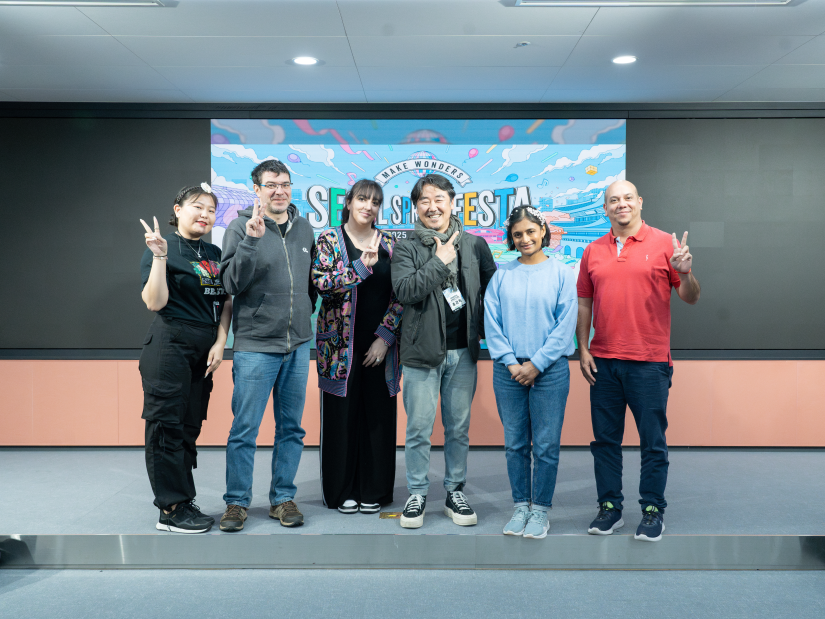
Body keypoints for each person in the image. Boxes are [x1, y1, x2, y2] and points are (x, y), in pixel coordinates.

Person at [576, 179, 700, 542]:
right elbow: (584, 303)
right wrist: (583, 348)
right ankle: (610, 508)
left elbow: (691, 297)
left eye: (628, 198)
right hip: (603, 362)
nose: (622, 204)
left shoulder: (665, 244)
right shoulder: (593, 251)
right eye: (614, 200)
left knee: (652, 442)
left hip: (649, 362)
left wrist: (686, 271)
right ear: (605, 208)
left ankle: (652, 510)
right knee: (605, 442)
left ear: (640, 201)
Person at [391, 173, 497, 529]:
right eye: (424, 200)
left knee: (458, 428)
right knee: (418, 429)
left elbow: (491, 292)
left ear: (452, 203)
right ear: (415, 207)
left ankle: (454, 491)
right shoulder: (406, 247)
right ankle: (417, 493)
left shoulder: (475, 244)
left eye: (439, 199)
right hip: (421, 353)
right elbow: (405, 291)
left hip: (463, 352)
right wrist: (439, 261)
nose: (432, 206)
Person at [218, 160, 317, 532]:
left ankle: (282, 498)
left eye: (285, 184)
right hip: (255, 346)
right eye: (271, 184)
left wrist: (302, 314)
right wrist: (251, 241)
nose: (280, 191)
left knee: (291, 429)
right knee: (245, 429)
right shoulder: (239, 227)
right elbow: (231, 284)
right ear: (256, 189)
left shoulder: (305, 228)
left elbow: (309, 287)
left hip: (298, 345)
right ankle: (236, 503)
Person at [139, 183, 231, 533]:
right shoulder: (161, 247)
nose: (205, 214)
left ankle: (183, 499)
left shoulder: (214, 252)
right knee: (166, 427)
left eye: (211, 209)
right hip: (170, 347)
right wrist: (160, 257)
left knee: (189, 428)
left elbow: (225, 301)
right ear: (178, 210)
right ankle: (170, 509)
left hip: (203, 351)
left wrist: (221, 341)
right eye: (197, 206)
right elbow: (154, 302)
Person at [484, 206, 577, 540]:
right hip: (508, 371)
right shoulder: (502, 275)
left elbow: (565, 326)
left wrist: (537, 364)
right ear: (511, 238)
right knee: (515, 444)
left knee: (546, 445)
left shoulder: (562, 274)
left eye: (530, 232)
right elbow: (491, 323)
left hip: (549, 371)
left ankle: (540, 511)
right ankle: (521, 505)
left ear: (543, 232)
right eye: (517, 234)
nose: (525, 239)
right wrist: (512, 363)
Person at [311, 180, 403, 514]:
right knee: (341, 419)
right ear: (348, 202)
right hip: (339, 350)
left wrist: (385, 337)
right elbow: (322, 284)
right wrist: (361, 267)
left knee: (378, 418)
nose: (368, 206)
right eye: (362, 199)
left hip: (381, 346)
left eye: (375, 202)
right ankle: (341, 491)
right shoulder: (328, 239)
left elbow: (402, 295)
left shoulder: (390, 244)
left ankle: (373, 489)